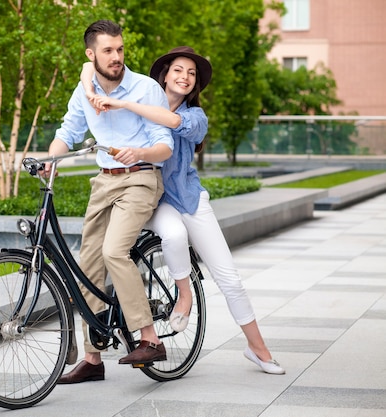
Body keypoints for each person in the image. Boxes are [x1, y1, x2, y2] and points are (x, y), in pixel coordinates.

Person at [84, 46, 286, 375]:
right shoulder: (140, 99)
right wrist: (90, 80)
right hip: (152, 198)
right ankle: (184, 294)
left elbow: (171, 120)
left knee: (230, 279)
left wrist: (121, 102)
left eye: (191, 74)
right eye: (178, 70)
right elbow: (91, 64)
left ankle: (258, 349)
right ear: (164, 74)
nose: (185, 77)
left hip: (189, 197)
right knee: (173, 235)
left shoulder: (195, 117)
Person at [44, 20, 174, 384]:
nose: (116, 57)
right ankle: (92, 357)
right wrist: (48, 161)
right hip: (104, 182)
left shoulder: (145, 88)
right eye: (108, 51)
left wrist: (141, 152)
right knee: (87, 265)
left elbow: (166, 144)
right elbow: (66, 134)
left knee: (114, 250)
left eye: (119, 49)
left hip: (142, 177)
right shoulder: (83, 91)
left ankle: (150, 339)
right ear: (91, 55)